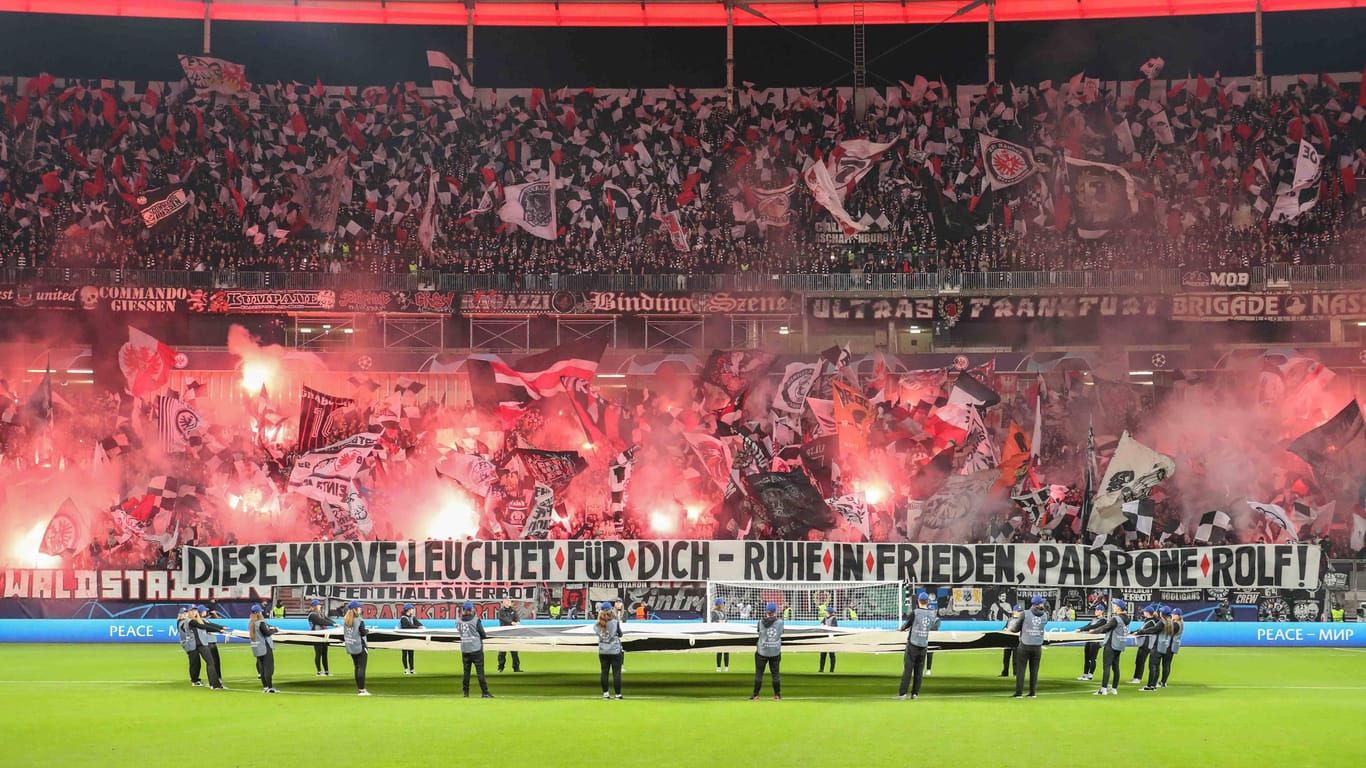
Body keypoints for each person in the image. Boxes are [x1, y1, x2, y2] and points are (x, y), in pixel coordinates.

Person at [895, 592, 938, 700]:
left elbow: (906, 625)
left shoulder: (915, 613)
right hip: (924, 645)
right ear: (927, 602)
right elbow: (934, 625)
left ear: (918, 601)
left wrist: (902, 629)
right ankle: (915, 694)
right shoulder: (932, 614)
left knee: (908, 669)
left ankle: (903, 693)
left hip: (913, 644)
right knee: (919, 671)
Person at [1009, 596, 1049, 698]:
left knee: (1021, 670)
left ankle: (1019, 693)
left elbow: (1016, 629)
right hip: (1037, 645)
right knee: (1034, 670)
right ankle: (1032, 692)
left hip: (1025, 644)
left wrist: (1010, 629)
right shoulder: (1045, 615)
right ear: (1039, 604)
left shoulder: (1025, 613)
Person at [184, 605, 226, 690]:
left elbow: (206, 626)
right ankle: (205, 682)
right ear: (189, 612)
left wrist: (220, 628)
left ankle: (214, 684)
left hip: (200, 644)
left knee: (210, 662)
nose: (194, 612)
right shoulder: (190, 621)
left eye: (195, 610)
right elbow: (203, 627)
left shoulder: (197, 620)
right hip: (195, 645)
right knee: (200, 664)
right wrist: (218, 630)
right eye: (192, 610)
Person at [1093, 600, 1129, 696]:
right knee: (1116, 667)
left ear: (1118, 608)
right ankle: (1114, 688)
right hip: (1119, 644)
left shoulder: (1116, 619)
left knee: (1106, 666)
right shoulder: (1126, 619)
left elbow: (1106, 627)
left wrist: (1094, 631)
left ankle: (1103, 689)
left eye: (1115, 606)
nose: (1113, 607)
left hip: (1111, 644)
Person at [457, 601, 493, 698]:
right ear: (471, 609)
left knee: (466, 672)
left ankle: (466, 693)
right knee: (480, 672)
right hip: (476, 649)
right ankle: (485, 692)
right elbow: (483, 634)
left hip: (465, 649)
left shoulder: (458, 621)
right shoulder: (476, 620)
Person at [751, 602, 784, 701]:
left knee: (759, 674)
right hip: (775, 651)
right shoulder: (780, 622)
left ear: (766, 611)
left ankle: (756, 695)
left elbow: (759, 633)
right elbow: (781, 633)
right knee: (775, 674)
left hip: (762, 651)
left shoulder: (760, 622)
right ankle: (777, 695)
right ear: (776, 611)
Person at [593, 601, 625, 699]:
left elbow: (598, 633)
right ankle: (617, 694)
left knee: (604, 672)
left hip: (603, 651)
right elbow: (620, 634)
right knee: (616, 672)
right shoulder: (614, 623)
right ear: (610, 610)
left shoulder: (597, 625)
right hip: (615, 650)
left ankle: (605, 693)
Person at [1141, 607, 1176, 691]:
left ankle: (1150, 686)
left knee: (1153, 666)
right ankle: (1154, 685)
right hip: (1163, 646)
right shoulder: (1170, 622)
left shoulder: (1162, 622)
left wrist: (1141, 631)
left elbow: (1154, 629)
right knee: (1157, 666)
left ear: (1162, 613)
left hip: (1157, 646)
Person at [248, 604, 280, 693]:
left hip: (256, 648)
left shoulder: (251, 623)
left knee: (262, 668)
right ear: (259, 612)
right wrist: (274, 631)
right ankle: (270, 687)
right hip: (264, 647)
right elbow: (267, 633)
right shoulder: (260, 623)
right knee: (268, 668)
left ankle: (265, 687)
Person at [342, 600, 371, 696]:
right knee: (362, 668)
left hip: (351, 646)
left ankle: (359, 689)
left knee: (357, 667)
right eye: (359, 607)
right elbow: (363, 632)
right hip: (360, 646)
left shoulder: (346, 620)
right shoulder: (359, 620)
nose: (360, 609)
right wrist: (367, 631)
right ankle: (362, 690)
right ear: (355, 609)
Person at [1076, 602, 1108, 681]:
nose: (1096, 611)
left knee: (1093, 658)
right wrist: (1080, 629)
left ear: (1102, 611)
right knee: (1087, 657)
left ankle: (1090, 674)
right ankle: (1085, 673)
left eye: (1097, 610)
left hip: (1096, 641)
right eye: (1096, 610)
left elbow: (1095, 626)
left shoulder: (1103, 620)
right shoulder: (1094, 619)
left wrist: (1082, 629)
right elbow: (1088, 626)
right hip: (1090, 639)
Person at [176, 606, 204, 686]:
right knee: (194, 662)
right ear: (180, 614)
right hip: (188, 644)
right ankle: (194, 680)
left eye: (186, 613)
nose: (185, 614)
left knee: (196, 661)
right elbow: (184, 627)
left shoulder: (186, 621)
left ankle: (195, 679)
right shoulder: (181, 621)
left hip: (191, 643)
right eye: (183, 613)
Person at [1130, 605, 1159, 684]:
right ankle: (1136, 677)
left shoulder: (1151, 622)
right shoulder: (1147, 620)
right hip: (1143, 643)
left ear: (1148, 612)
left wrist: (1136, 632)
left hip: (1146, 643)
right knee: (1138, 660)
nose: (1143, 612)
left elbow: (1144, 631)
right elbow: (1141, 629)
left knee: (1141, 660)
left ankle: (1138, 678)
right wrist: (1132, 632)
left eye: (1145, 611)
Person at [307, 599, 336, 676]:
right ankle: (319, 671)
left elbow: (326, 619)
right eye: (318, 605)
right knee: (318, 653)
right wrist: (332, 624)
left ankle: (326, 671)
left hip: (324, 635)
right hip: (317, 636)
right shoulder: (312, 615)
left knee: (324, 653)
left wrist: (334, 623)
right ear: (314, 606)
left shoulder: (321, 614)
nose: (320, 606)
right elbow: (320, 621)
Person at [496, 598, 523, 673]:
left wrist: (517, 622)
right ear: (504, 603)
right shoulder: (501, 611)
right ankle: (500, 668)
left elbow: (517, 618)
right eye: (507, 601)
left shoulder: (513, 610)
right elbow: (504, 619)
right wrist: (512, 623)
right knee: (502, 652)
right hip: (504, 633)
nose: (509, 602)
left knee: (514, 651)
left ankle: (516, 668)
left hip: (512, 633)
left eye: (509, 601)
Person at [1161, 608, 1184, 687]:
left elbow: (1168, 631)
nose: (1172, 616)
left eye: (1174, 614)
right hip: (1172, 645)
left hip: (1170, 646)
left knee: (1166, 664)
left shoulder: (1176, 624)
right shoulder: (1179, 623)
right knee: (1166, 664)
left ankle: (1163, 682)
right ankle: (1163, 681)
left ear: (1178, 616)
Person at [398, 603, 423, 674]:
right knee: (405, 654)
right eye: (412, 609)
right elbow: (407, 626)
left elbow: (419, 624)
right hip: (404, 638)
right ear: (408, 610)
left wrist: (420, 626)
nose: (413, 610)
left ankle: (412, 669)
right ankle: (406, 669)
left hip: (411, 638)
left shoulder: (412, 617)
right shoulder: (403, 618)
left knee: (411, 654)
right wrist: (417, 627)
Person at [999, 604, 1020, 677]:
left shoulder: (1021, 620)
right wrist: (1004, 629)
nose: (1019, 612)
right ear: (1014, 611)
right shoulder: (1010, 619)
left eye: (1020, 611)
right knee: (1006, 658)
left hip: (1016, 640)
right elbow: (1005, 627)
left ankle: (1016, 673)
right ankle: (1005, 672)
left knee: (1015, 659)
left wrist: (1010, 630)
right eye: (1018, 611)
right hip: (1008, 640)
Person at [712, 598, 731, 672]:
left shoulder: (724, 612)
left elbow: (727, 620)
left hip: (725, 632)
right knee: (719, 650)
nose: (724, 605)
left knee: (727, 650)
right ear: (719, 604)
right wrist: (718, 622)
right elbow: (712, 622)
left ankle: (726, 667)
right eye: (722, 603)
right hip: (719, 632)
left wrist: (724, 622)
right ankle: (718, 667)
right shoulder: (714, 612)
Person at [818, 603, 837, 673]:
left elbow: (834, 628)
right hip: (825, 638)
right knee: (823, 655)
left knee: (832, 655)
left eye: (826, 611)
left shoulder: (834, 619)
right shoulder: (825, 618)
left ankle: (831, 670)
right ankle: (821, 669)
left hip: (831, 638)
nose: (825, 612)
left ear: (829, 612)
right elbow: (821, 624)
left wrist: (826, 626)